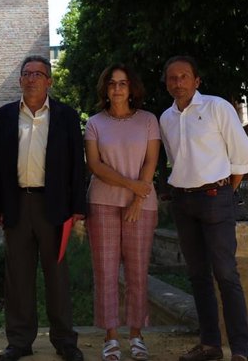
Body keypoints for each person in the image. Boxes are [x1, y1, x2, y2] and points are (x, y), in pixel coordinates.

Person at [0, 55, 86, 361]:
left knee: (57, 276)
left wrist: (78, 207)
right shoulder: (3, 116)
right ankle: (19, 341)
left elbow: (76, 166)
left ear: (49, 81)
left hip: (54, 207)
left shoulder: (66, 116)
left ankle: (65, 341)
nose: (31, 78)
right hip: (17, 205)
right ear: (20, 80)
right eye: (26, 74)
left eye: (38, 73)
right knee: (17, 277)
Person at [159, 56, 248, 361]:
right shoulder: (166, 118)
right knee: (198, 275)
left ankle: (239, 350)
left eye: (184, 76)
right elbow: (176, 159)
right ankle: (210, 345)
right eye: (172, 78)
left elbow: (242, 155)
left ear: (196, 81)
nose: (178, 82)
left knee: (226, 273)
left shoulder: (217, 107)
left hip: (216, 197)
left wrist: (224, 192)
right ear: (167, 83)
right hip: (183, 202)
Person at [84, 64, 160, 361]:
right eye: (112, 83)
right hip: (102, 202)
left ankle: (137, 335)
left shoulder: (148, 120)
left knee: (137, 272)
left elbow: (151, 161)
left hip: (141, 205)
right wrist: (132, 186)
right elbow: (95, 165)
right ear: (106, 88)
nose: (117, 88)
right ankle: (111, 337)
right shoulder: (94, 123)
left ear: (132, 89)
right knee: (105, 271)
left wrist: (138, 200)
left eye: (123, 83)